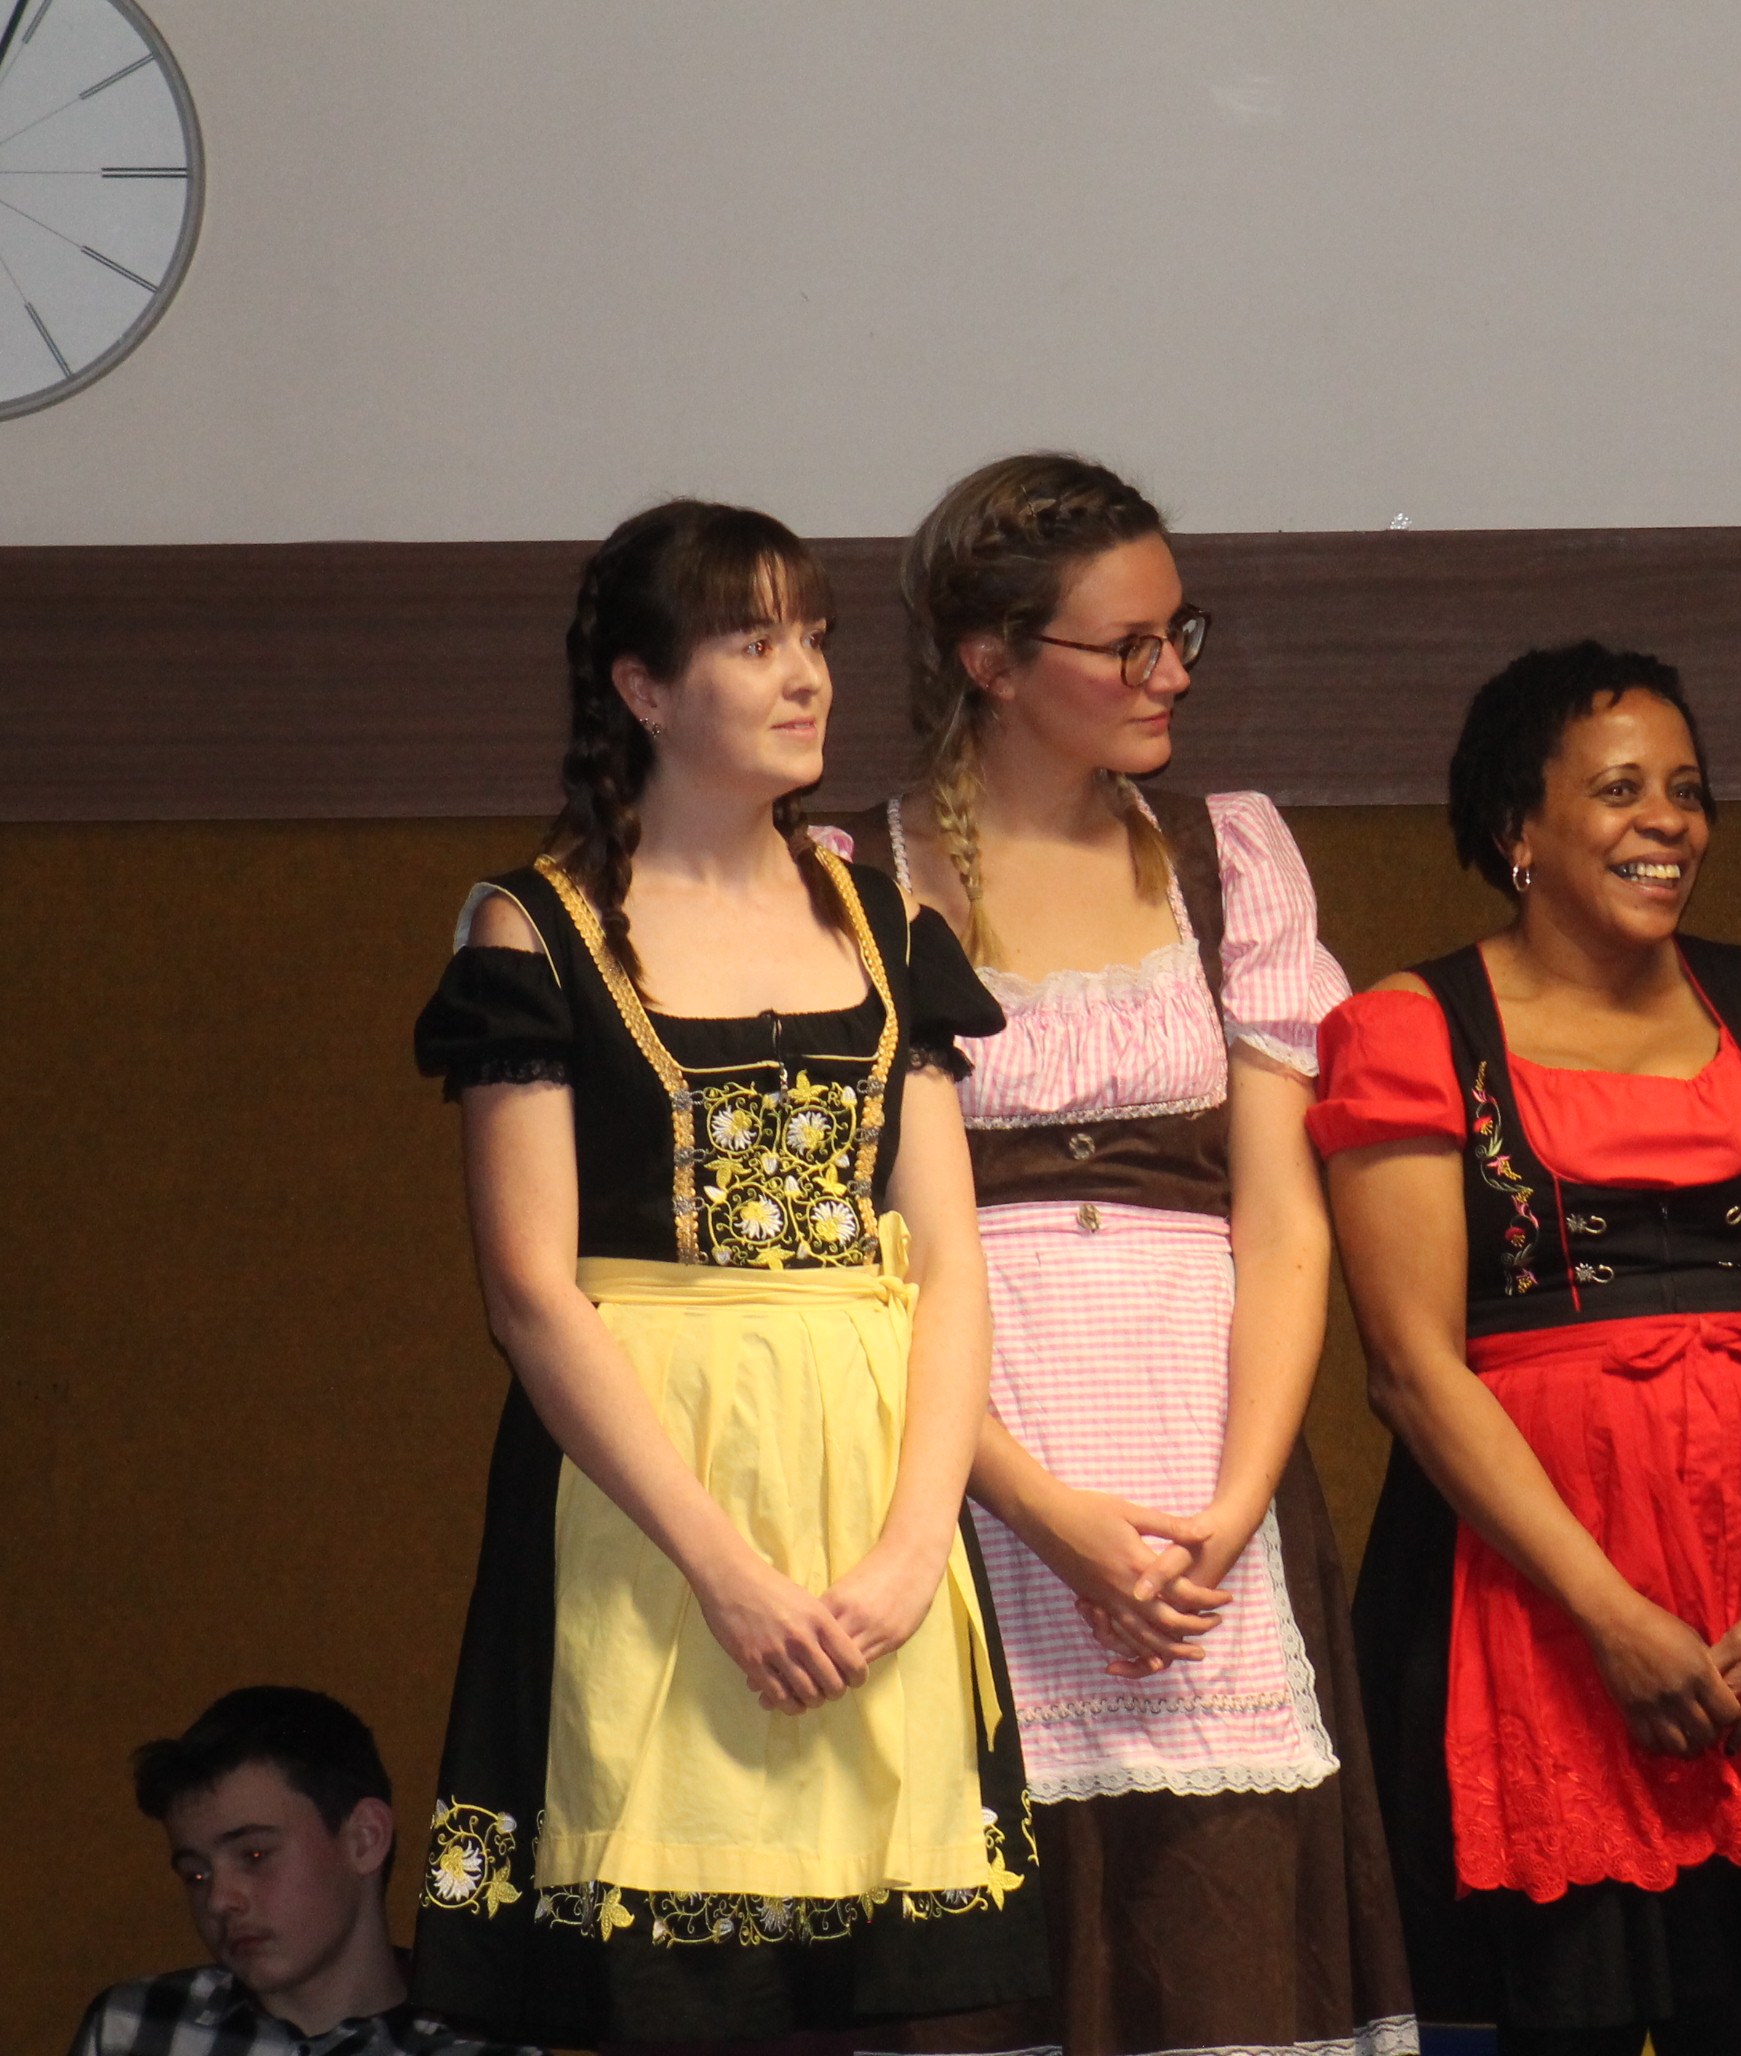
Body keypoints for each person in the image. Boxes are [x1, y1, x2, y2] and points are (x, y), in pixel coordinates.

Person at [406, 500, 1041, 2050]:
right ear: (643, 687)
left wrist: (911, 1554)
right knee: (669, 1990)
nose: (804, 673)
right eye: (754, 642)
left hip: (867, 1495)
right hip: (649, 1509)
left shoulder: (889, 924)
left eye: (813, 636)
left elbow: (950, 1268)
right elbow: (530, 1293)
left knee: (873, 2001)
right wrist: (727, 1572)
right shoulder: (537, 927)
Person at [1321, 641, 1741, 2056]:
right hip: (1539, 1607)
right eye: (1620, 790)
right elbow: (1411, 1367)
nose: (1667, 821)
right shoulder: (1414, 1028)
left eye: (1686, 789)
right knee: (1558, 2012)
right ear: (1518, 827)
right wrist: (1608, 1618)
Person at [847, 452, 1415, 2056]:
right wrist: (1044, 1512)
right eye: (1129, 645)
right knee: (999, 1965)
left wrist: (1231, 1511)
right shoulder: (849, 886)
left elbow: (1284, 1221)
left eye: (1183, 634)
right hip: (969, 1492)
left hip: (1205, 1491)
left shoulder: (1227, 860)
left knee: (1218, 1948)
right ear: (991, 659)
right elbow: (869, 1267)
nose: (1172, 673)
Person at [71, 1687, 535, 2056]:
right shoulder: (136, 2028)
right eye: (196, 1875)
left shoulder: (478, 2046)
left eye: (255, 1855)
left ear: (365, 1838)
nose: (219, 1900)